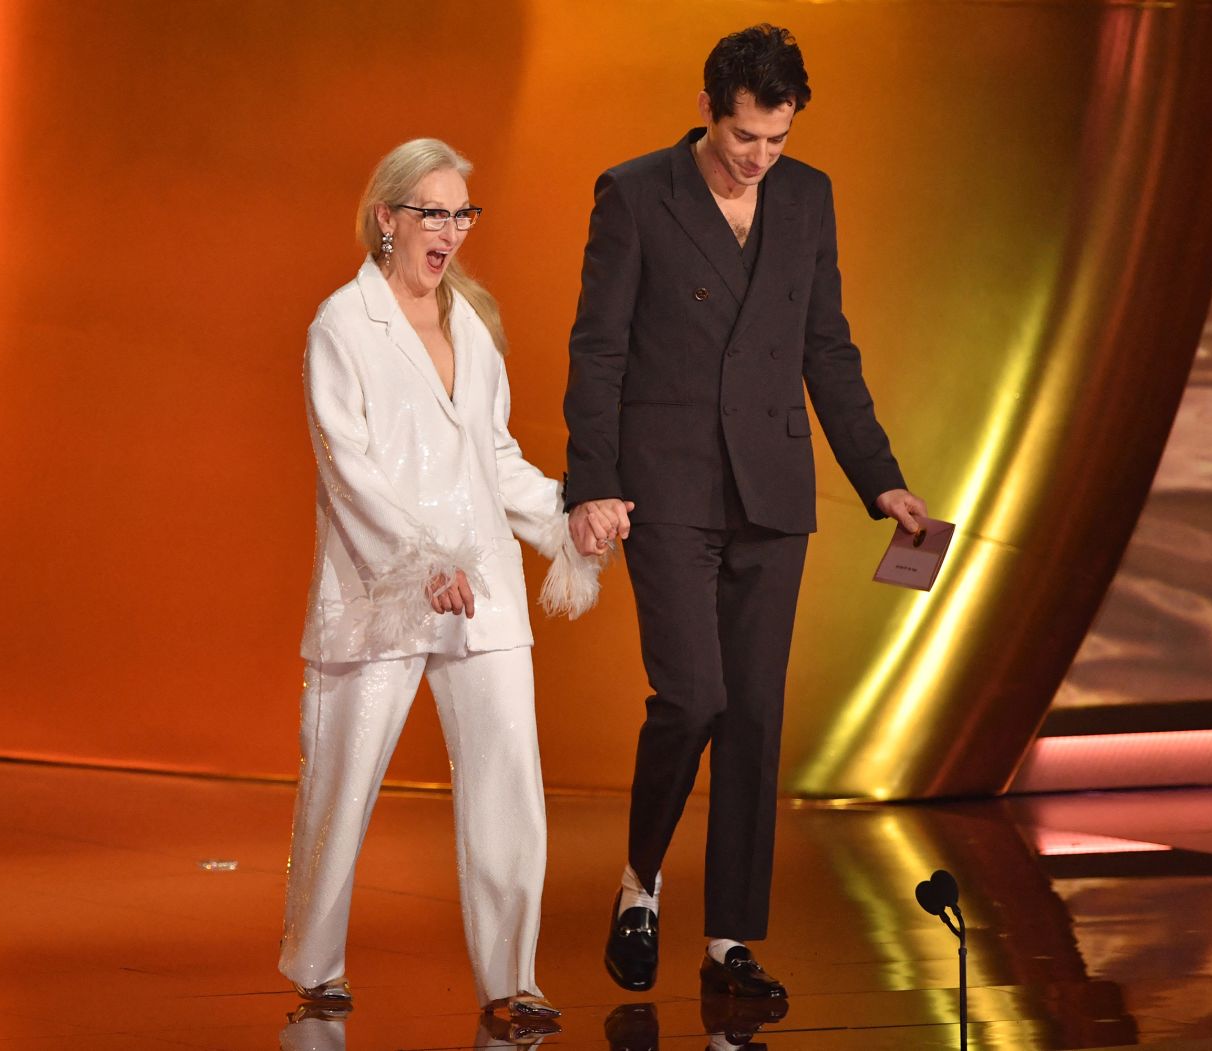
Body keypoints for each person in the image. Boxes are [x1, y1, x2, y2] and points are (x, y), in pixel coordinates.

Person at [562, 25, 927, 998]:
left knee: (756, 718)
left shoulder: (807, 198)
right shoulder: (634, 193)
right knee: (693, 698)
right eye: (742, 140)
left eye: (775, 139)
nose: (759, 159)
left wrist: (878, 477)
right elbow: (596, 348)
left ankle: (728, 944)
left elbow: (827, 347)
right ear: (706, 111)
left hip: (772, 490)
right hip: (667, 485)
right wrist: (590, 480)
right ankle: (640, 885)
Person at [279, 137, 601, 1018]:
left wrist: (563, 520)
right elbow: (349, 469)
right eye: (434, 211)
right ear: (388, 218)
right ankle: (316, 963)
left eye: (463, 213)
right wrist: (421, 564)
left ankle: (514, 980)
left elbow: (492, 457)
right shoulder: (341, 325)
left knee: (508, 777)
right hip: (381, 589)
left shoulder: (471, 323)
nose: (451, 230)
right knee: (342, 783)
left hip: (481, 583)